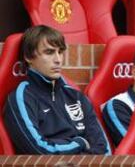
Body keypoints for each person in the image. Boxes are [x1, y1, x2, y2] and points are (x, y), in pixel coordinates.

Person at [3, 25, 111, 154]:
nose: (58, 60)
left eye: (60, 52)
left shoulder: (75, 96)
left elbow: (103, 148)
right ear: (28, 57)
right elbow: (39, 150)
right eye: (49, 52)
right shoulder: (21, 97)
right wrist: (80, 143)